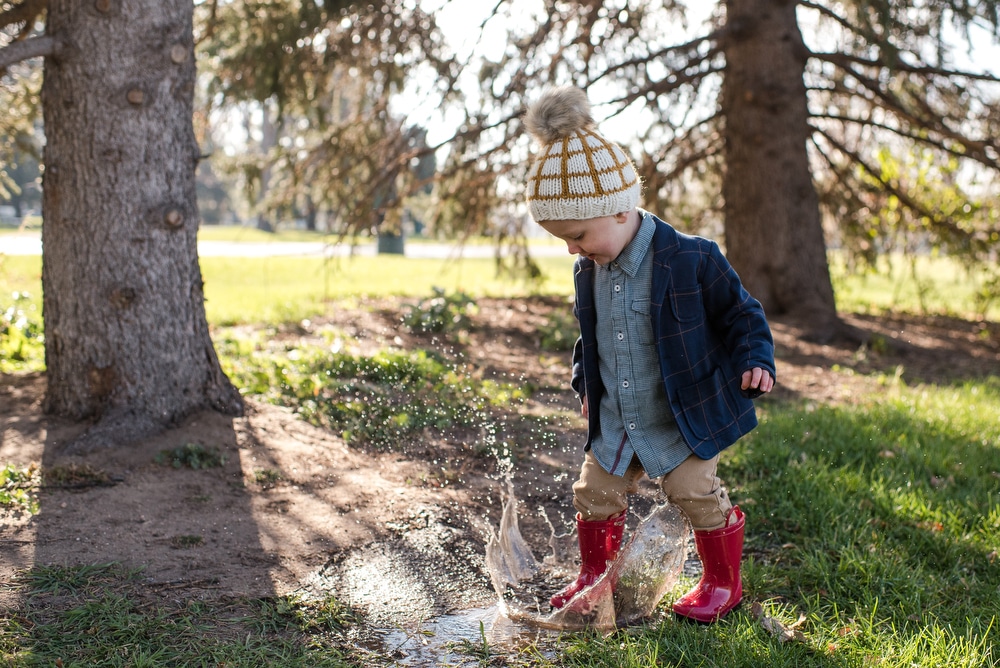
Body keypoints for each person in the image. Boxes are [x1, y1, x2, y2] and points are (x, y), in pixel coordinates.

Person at [523, 86, 776, 623]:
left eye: (577, 236)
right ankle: (595, 579)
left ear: (618, 209)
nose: (572, 249)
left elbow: (741, 314)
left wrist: (756, 359)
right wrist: (586, 389)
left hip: (681, 413)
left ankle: (721, 583)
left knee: (693, 491)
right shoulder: (588, 270)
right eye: (563, 240)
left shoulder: (692, 259)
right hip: (619, 416)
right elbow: (588, 340)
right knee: (594, 492)